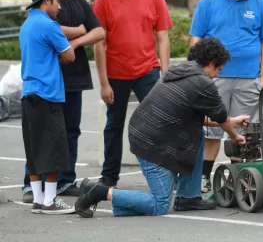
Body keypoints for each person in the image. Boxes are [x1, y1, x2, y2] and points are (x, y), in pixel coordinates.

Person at [74, 38, 249, 218]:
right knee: (159, 204)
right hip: (151, 144)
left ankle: (188, 196)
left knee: (198, 133)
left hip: (147, 133)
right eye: (218, 70)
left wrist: (232, 120)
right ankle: (99, 192)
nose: (217, 76)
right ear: (211, 63)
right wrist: (235, 136)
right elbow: (221, 119)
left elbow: (210, 118)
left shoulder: (179, 71)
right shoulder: (202, 83)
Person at [21, 0, 105, 203]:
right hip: (49, 88)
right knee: (46, 138)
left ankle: (62, 183)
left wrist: (76, 39)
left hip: (68, 82)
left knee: (68, 133)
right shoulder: (46, 18)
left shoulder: (77, 5)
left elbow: (99, 31)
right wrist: (78, 31)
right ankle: (39, 192)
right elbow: (55, 32)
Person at [189, 0, 263, 193]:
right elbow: (196, 38)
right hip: (215, 78)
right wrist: (198, 73)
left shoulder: (259, 3)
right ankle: (204, 177)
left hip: (248, 77)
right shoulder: (209, 1)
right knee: (213, 130)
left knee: (243, 131)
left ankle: (237, 178)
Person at [93, 0, 172, 188]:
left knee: (158, 123)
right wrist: (104, 83)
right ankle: (109, 176)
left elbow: (163, 38)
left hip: (148, 71)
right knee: (114, 125)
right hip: (116, 73)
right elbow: (99, 42)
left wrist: (166, 75)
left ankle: (164, 174)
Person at [19, 0, 76, 214]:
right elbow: (70, 55)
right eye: (58, 0)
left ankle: (38, 199)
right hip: (48, 94)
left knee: (34, 148)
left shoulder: (27, 24)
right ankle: (50, 200)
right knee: (54, 148)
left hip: (28, 93)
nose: (60, 6)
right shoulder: (49, 25)